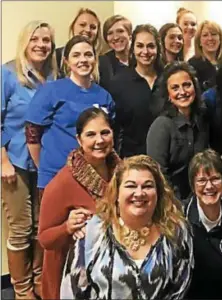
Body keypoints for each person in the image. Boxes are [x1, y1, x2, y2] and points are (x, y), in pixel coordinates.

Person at [60, 155, 194, 299]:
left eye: (148, 186)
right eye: (131, 186)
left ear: (158, 193)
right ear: (117, 193)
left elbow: (180, 288)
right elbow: (72, 291)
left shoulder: (176, 231)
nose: (139, 193)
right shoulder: (92, 232)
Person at [38, 107, 119, 300]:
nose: (100, 140)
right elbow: (45, 239)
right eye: (91, 134)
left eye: (105, 133)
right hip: (71, 282)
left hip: (111, 276)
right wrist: (67, 227)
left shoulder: (123, 173)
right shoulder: (63, 183)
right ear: (79, 140)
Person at [1, 20, 57, 300]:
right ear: (25, 41)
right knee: (21, 228)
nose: (41, 45)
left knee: (41, 225)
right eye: (35, 39)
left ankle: (37, 281)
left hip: (45, 163)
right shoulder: (8, 74)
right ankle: (21, 290)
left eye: (46, 40)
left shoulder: (54, 78)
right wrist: (2, 162)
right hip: (15, 163)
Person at [26, 35, 114, 193]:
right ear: (66, 61)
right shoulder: (51, 91)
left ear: (95, 59)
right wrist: (45, 167)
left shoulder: (104, 96)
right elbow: (32, 134)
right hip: (56, 176)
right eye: (76, 55)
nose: (83, 60)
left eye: (88, 54)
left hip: (95, 179)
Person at [147, 62, 209, 200]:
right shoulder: (161, 126)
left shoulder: (201, 120)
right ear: (168, 95)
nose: (182, 92)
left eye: (187, 85)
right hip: (171, 202)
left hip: (199, 198)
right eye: (175, 88)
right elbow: (158, 174)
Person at [184, 149, 222, 299]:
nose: (209, 186)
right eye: (201, 181)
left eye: (215, 179)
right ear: (192, 185)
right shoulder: (179, 220)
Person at [108, 24, 164, 158]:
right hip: (133, 159)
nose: (145, 51)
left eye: (151, 46)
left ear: (158, 49)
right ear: (132, 49)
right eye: (140, 46)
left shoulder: (168, 79)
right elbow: (114, 127)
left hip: (167, 158)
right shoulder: (119, 83)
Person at [55, 8, 103, 78]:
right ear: (73, 26)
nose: (87, 30)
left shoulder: (103, 61)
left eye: (93, 27)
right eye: (82, 25)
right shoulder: (57, 56)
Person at [188, 20, 222, 92]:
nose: (210, 38)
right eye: (205, 35)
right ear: (199, 42)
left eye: (214, 34)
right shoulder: (192, 65)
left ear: (220, 39)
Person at [99, 15, 132, 91]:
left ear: (130, 35)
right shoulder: (102, 63)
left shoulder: (140, 58)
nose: (115, 37)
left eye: (120, 31)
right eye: (110, 33)